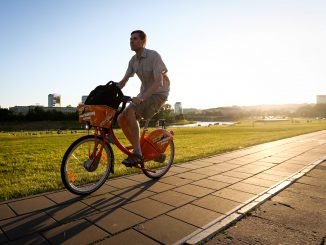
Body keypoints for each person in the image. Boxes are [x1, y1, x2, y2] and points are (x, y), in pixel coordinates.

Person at [117, 30, 170, 167]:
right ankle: (139, 148)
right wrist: (108, 91)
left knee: (130, 112)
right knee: (120, 118)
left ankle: (137, 153)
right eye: (130, 39)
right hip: (145, 93)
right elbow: (123, 82)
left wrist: (141, 98)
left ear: (142, 41)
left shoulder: (153, 56)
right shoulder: (133, 61)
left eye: (134, 38)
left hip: (158, 93)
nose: (131, 41)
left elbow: (159, 82)